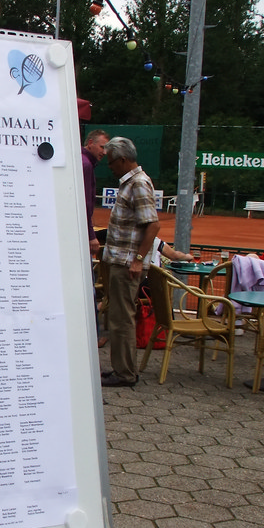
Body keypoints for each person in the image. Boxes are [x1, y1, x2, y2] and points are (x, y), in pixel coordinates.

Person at [100, 136, 159, 387]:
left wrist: (137, 260)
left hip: (126, 264)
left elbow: (152, 225)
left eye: (111, 162)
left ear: (123, 160)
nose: (110, 167)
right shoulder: (131, 183)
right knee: (118, 316)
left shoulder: (138, 183)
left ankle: (125, 373)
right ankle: (122, 368)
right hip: (120, 261)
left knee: (122, 319)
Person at [81, 127, 109, 257]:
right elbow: (85, 204)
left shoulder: (80, 159)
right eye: (102, 147)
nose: (104, 152)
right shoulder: (86, 164)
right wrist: (91, 236)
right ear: (90, 143)